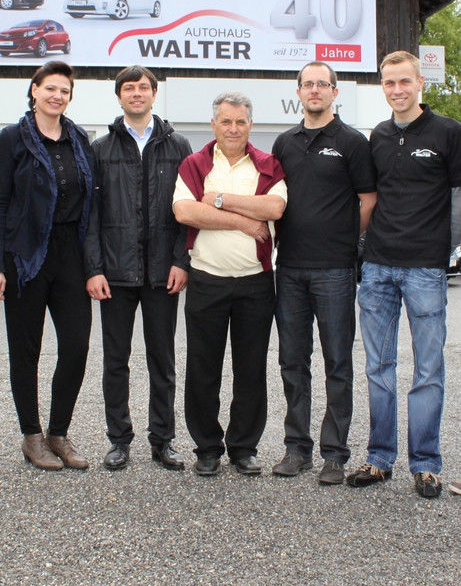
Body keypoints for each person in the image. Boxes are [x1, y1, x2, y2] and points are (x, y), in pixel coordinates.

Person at [346, 51, 461, 498]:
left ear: (420, 83)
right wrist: (362, 250)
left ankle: (426, 464)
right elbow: (370, 197)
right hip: (377, 268)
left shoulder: (448, 131)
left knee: (428, 369)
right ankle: (379, 459)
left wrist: (445, 250)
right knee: (379, 367)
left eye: (404, 81)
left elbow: (458, 196)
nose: (397, 90)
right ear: (383, 86)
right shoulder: (378, 135)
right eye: (389, 82)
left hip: (424, 269)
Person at [271, 62, 377, 483]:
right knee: (292, 362)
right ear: (298, 91)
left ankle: (335, 454)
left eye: (322, 84)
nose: (315, 90)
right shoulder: (284, 143)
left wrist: (345, 240)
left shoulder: (352, 142)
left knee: (337, 362)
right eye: (308, 84)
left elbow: (368, 199)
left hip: (335, 269)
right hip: (290, 269)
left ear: (335, 92)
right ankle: (297, 449)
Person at [173, 92, 287, 476]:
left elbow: (273, 208)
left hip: (256, 283)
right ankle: (207, 448)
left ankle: (243, 447)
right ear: (213, 125)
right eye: (226, 121)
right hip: (207, 281)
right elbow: (185, 210)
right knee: (202, 368)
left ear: (250, 125)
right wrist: (243, 220)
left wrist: (218, 199)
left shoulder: (268, 165)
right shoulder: (195, 164)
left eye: (240, 121)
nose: (233, 128)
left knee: (251, 369)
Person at [84, 66, 191, 471]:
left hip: (163, 273)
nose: (136, 93)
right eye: (128, 88)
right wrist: (94, 268)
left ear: (154, 94)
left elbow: (187, 210)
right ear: (119, 96)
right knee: (116, 361)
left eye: (143, 87)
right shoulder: (101, 148)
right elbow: (91, 216)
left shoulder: (177, 145)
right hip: (115, 273)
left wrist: (181, 261)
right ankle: (119, 440)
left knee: (163, 361)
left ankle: (163, 440)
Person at [0, 61, 94, 470]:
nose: (58, 96)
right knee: (26, 350)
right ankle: (32, 436)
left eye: (64, 91)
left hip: (70, 251)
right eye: (50, 88)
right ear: (34, 90)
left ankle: (58, 433)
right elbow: (1, 201)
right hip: (25, 253)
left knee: (76, 345)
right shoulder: (11, 139)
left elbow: (91, 200)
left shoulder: (79, 139)